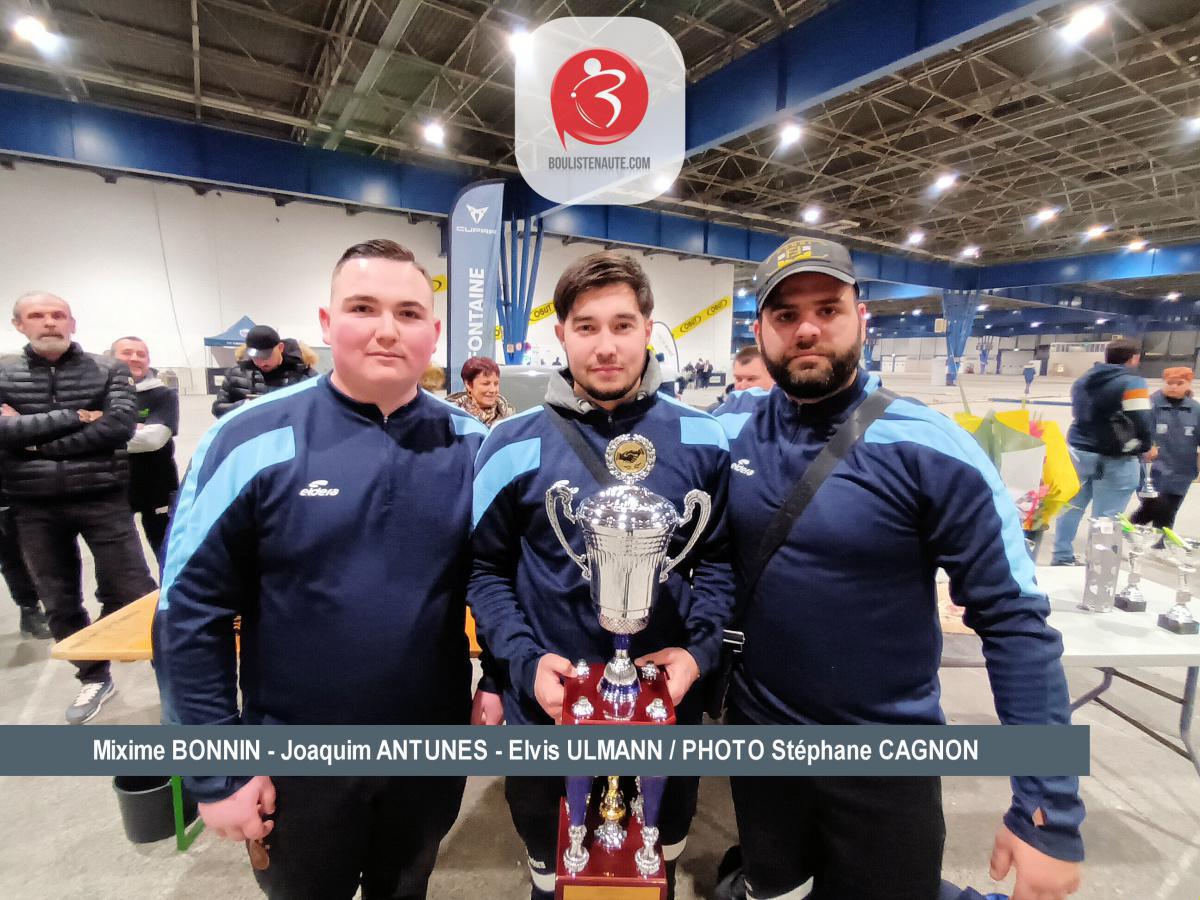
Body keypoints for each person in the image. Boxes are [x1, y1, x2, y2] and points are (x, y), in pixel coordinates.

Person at [713, 237, 1083, 900]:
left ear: (862, 317)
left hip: (883, 756)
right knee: (775, 889)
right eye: (785, 314)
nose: (807, 327)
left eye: (827, 308)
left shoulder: (931, 448)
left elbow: (1017, 625)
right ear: (760, 330)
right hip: (758, 740)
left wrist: (1047, 810)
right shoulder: (729, 429)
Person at [154, 239, 487, 899]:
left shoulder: (474, 445)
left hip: (429, 750)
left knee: (406, 888)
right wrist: (217, 773)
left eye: (409, 312)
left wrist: (502, 676)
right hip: (297, 758)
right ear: (328, 323)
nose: (388, 329)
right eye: (363, 307)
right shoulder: (247, 440)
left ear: (434, 332)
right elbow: (190, 613)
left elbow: (501, 579)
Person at [469, 251, 735, 900]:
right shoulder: (508, 444)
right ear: (560, 335)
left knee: (651, 871)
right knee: (553, 874)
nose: (606, 346)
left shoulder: (706, 440)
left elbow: (723, 564)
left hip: (665, 715)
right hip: (545, 717)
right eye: (586, 327)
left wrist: (697, 658)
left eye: (623, 324)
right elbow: (484, 571)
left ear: (649, 328)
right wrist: (524, 663)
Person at [0, 292, 157, 723]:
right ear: (19, 324)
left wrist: (28, 437)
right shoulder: (3, 372)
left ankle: (172, 673)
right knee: (58, 598)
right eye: (37, 315)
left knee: (135, 588)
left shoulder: (109, 369)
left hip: (101, 497)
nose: (48, 322)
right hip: (32, 505)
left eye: (57, 315)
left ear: (72, 322)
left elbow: (119, 427)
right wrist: (76, 414)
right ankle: (93, 677)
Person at [1051, 339, 1153, 566]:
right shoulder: (1133, 381)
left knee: (1071, 508)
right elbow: (1142, 419)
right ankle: (1098, 566)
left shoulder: (1083, 379)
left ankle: (1061, 556)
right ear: (1133, 358)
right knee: (1107, 516)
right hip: (1116, 456)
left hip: (1079, 452)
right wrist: (1146, 445)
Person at [111, 337, 179, 562]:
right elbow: (81, 434)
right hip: (113, 486)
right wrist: (132, 429)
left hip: (157, 484)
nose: (135, 358)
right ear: (111, 358)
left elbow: (154, 439)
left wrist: (102, 427)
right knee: (120, 559)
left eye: (141, 354)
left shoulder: (163, 394)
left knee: (167, 551)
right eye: (127, 353)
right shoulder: (100, 394)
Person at [1130, 367, 1200, 531]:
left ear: (1189, 384)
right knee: (1157, 507)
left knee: (1168, 511)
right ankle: (1130, 531)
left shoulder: (1195, 409)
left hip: (1182, 471)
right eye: (1169, 383)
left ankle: (1158, 545)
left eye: (1179, 383)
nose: (1174, 387)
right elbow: (1134, 430)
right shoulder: (1149, 405)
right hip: (1153, 470)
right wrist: (1145, 447)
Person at [211, 324, 318, 417]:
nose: (261, 363)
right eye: (256, 357)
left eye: (266, 356)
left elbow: (319, 409)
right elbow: (218, 408)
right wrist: (242, 407)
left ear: (280, 348)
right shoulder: (236, 374)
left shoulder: (305, 375)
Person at [0, 482, 49, 638]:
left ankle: (32, 610)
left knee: (36, 554)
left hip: (19, 492)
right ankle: (29, 610)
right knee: (13, 559)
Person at [446, 356, 514, 427]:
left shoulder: (508, 416)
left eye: (496, 384)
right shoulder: (450, 415)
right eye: (486, 384)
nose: (493, 390)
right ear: (468, 385)